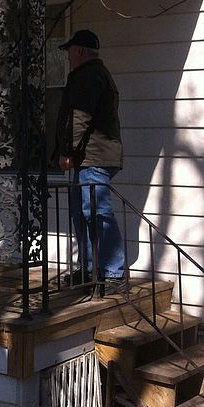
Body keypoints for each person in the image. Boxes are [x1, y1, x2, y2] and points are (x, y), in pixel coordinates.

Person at [53, 29, 125, 291]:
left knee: (97, 212)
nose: (68, 57)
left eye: (70, 51)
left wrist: (67, 152)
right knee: (81, 213)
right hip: (89, 157)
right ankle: (87, 270)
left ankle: (113, 273)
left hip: (93, 157)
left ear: (80, 51)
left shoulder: (89, 76)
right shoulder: (94, 74)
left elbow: (79, 118)